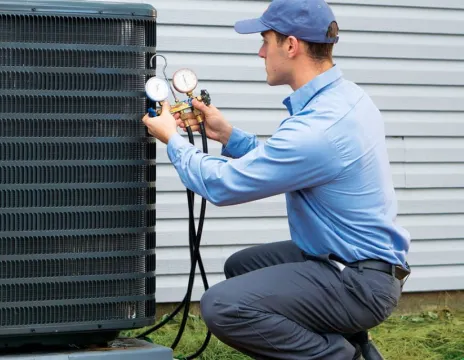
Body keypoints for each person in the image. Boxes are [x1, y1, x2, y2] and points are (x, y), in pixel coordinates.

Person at [141, 0, 412, 359]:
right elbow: (286, 160)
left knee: (223, 305)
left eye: (266, 40)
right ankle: (353, 342)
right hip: (352, 260)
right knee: (242, 267)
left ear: (291, 45)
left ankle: (344, 356)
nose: (260, 52)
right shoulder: (344, 99)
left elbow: (223, 185)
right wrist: (227, 135)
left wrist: (173, 139)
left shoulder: (320, 127)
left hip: (358, 282)